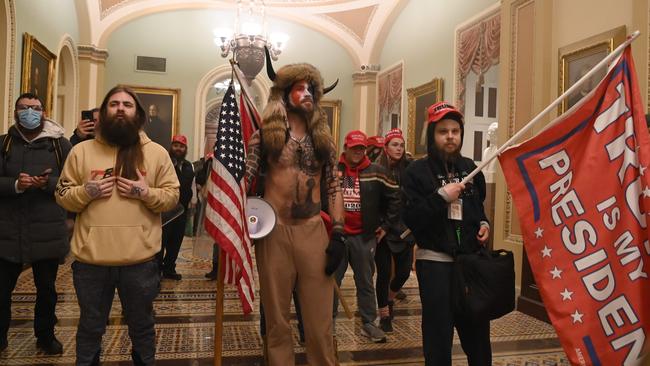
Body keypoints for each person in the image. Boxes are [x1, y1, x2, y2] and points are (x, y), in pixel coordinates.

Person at [55, 86, 179, 365]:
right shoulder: (81, 152)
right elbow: (62, 196)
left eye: (127, 104)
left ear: (138, 114)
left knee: (142, 327)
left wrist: (145, 193)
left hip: (140, 262)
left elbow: (173, 198)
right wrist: (86, 192)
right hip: (91, 263)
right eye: (114, 104)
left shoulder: (157, 153)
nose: (120, 108)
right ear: (103, 112)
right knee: (89, 327)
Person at [245, 60, 344, 366]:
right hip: (274, 232)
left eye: (310, 88)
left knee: (319, 323)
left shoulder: (323, 141)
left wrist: (338, 233)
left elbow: (333, 186)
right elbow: (244, 184)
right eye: (299, 88)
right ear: (285, 94)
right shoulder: (265, 137)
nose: (307, 93)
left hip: (314, 232)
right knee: (276, 321)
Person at [401, 101, 491, 366]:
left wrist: (484, 224)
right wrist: (441, 197)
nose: (450, 136)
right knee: (438, 336)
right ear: (432, 135)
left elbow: (477, 209)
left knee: (477, 335)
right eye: (443, 131)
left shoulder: (470, 168)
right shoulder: (416, 172)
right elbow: (412, 218)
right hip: (436, 265)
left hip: (471, 266)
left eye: (455, 131)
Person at [0, 93, 72, 354]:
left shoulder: (61, 145)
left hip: (48, 230)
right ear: (15, 112)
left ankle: (45, 336)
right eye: (24, 108)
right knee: (1, 291)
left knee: (47, 291)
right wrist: (16, 185)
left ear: (44, 112)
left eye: (35, 108)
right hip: (7, 230)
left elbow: (71, 183)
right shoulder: (4, 143)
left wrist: (47, 184)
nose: (29, 112)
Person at [333, 130, 399, 343]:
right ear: (346, 148)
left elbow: (395, 198)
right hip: (338, 236)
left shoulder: (377, 172)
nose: (358, 152)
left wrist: (386, 226)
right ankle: (328, 323)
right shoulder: (334, 171)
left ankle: (369, 324)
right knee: (332, 281)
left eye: (361, 148)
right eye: (354, 148)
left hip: (364, 236)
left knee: (365, 282)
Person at [374, 128, 415, 333]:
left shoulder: (409, 168)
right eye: (394, 145)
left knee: (403, 272)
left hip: (405, 228)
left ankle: (390, 299)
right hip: (382, 228)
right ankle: (384, 314)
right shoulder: (377, 168)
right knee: (382, 273)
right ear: (386, 147)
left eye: (401, 145)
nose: (399, 149)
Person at [158, 134, 195, 280]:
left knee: (176, 242)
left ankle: (169, 269)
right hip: (165, 212)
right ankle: (157, 271)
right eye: (176, 145)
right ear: (171, 146)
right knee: (162, 242)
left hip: (182, 212)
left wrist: (193, 204)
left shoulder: (188, 166)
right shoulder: (164, 163)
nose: (178, 149)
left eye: (181, 146)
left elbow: (192, 187)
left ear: (185, 149)